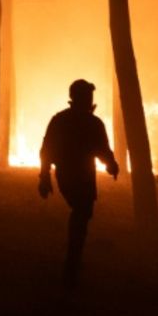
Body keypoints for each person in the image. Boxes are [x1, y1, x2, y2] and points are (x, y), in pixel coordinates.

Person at [38, 79, 119, 289]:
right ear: (79, 98)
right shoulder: (91, 123)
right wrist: (111, 164)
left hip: (70, 174)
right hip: (78, 175)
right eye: (87, 96)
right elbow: (102, 149)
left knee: (83, 211)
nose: (90, 100)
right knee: (82, 212)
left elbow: (47, 150)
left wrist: (45, 176)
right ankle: (72, 263)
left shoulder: (61, 120)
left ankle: (73, 259)